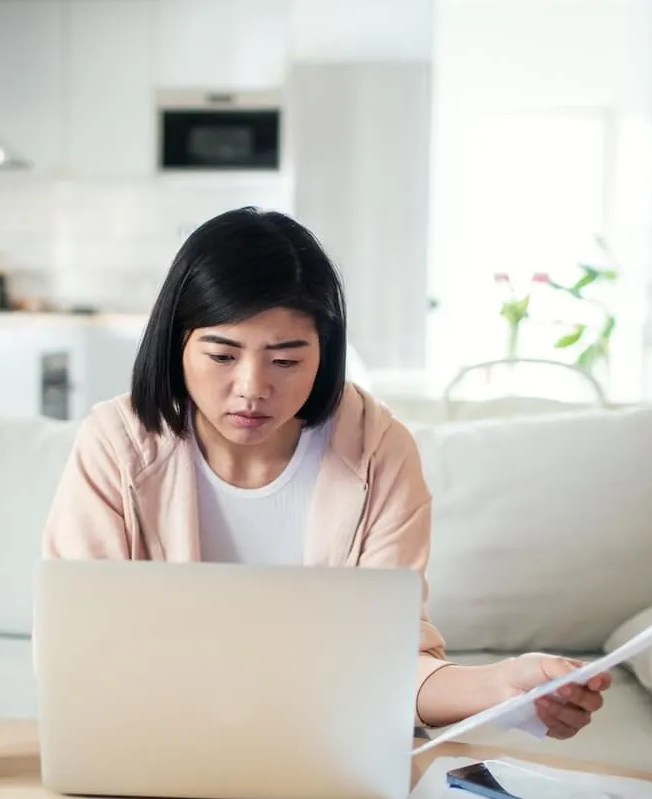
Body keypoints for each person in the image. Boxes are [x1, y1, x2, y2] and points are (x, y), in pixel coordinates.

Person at [41, 206, 609, 735]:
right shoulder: (116, 446)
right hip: (155, 737)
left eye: (287, 360)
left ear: (326, 352)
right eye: (221, 355)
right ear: (175, 345)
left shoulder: (378, 450)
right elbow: (77, 646)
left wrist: (505, 688)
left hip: (326, 741)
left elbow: (392, 664)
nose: (253, 389)